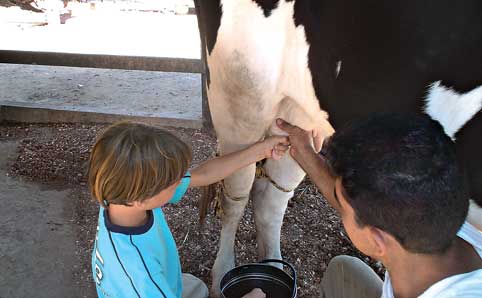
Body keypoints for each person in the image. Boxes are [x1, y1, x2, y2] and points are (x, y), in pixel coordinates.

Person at [277, 113, 482, 298]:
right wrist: (304, 151)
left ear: (377, 241)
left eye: (342, 205)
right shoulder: (436, 208)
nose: (338, 205)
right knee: (343, 271)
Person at [88, 121, 289, 298]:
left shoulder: (117, 196)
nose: (180, 181)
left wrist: (260, 151)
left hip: (160, 281)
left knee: (197, 288)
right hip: (147, 287)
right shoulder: (140, 275)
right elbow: (142, 281)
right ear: (141, 197)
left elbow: (203, 174)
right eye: (172, 182)